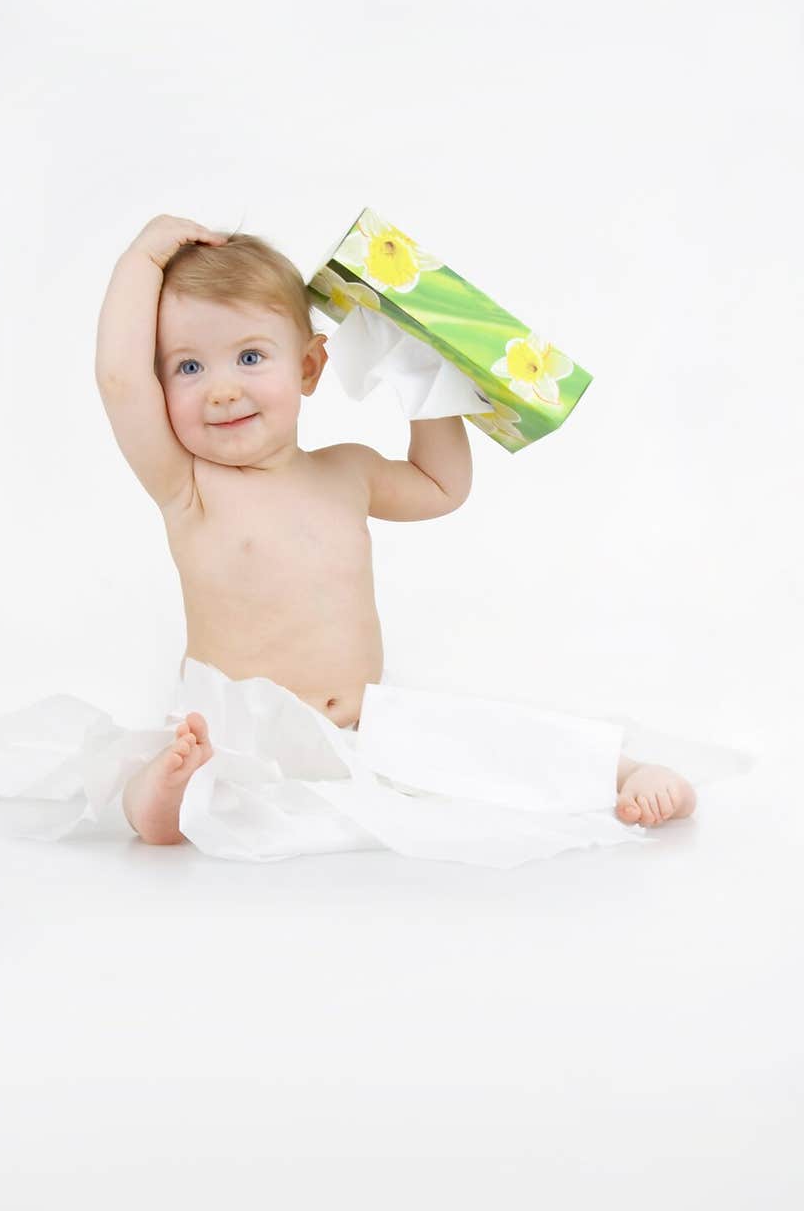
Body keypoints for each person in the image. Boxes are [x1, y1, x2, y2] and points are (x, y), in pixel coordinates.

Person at [95, 214, 696, 846]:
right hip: (236, 730)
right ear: (160, 387)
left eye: (249, 357)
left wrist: (424, 374)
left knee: (474, 734)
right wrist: (144, 255)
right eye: (188, 368)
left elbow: (440, 487)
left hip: (360, 730)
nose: (221, 390)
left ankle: (616, 770)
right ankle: (160, 802)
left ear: (307, 368)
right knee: (174, 769)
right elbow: (117, 378)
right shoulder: (188, 487)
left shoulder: (345, 472)